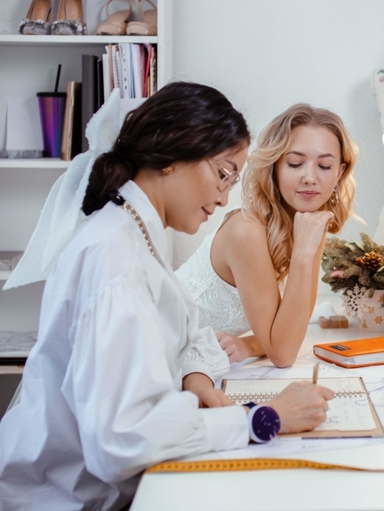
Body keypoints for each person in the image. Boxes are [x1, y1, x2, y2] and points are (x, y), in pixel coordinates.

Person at [0, 84, 333, 511]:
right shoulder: (114, 258)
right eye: (222, 172)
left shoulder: (135, 230)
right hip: (61, 498)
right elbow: (119, 441)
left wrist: (197, 376)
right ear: (173, 157)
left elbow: (188, 334)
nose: (224, 195)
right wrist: (263, 418)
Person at [176, 104, 357, 365]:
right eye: (295, 163)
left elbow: (292, 330)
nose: (310, 177)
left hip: (194, 366)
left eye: (325, 166)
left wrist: (249, 345)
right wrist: (304, 255)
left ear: (339, 173)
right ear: (274, 167)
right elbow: (283, 354)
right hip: (148, 354)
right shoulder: (246, 230)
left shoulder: (308, 222)